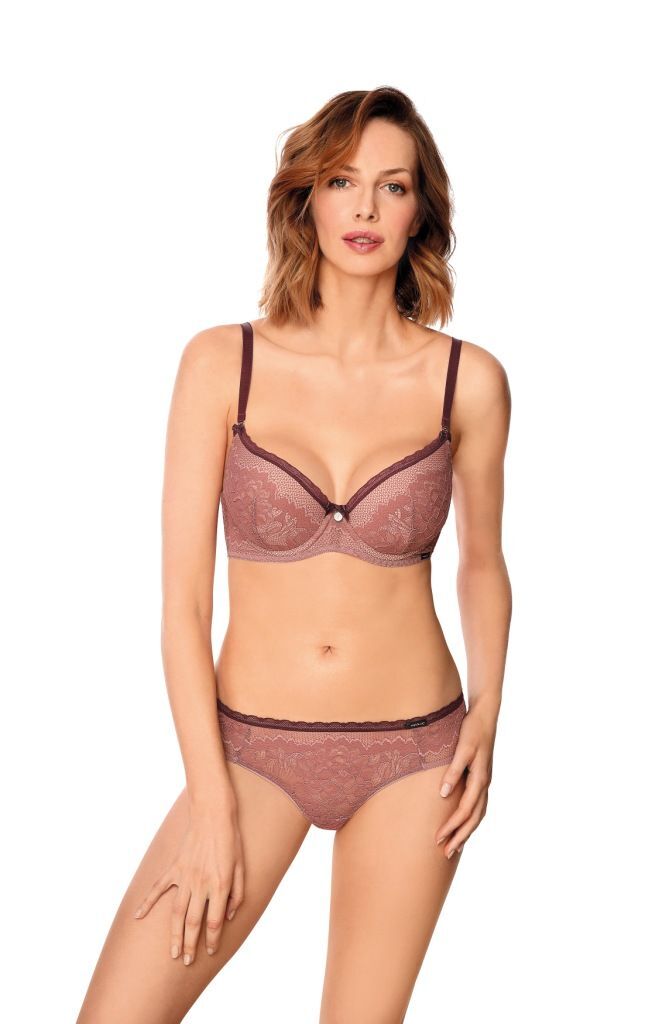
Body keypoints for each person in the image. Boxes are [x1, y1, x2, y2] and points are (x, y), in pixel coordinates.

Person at [77, 86, 512, 1023]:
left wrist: (487, 713)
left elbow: (481, 562)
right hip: (250, 750)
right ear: (305, 198)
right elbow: (183, 608)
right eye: (342, 181)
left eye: (392, 186)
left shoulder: (466, 380)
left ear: (420, 211)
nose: (365, 207)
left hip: (415, 753)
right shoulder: (220, 363)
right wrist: (209, 806)